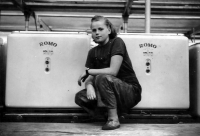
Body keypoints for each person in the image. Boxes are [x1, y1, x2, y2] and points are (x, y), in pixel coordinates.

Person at [75, 15, 142, 130]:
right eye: (94, 30)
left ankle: (113, 120)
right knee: (81, 97)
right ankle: (114, 114)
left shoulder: (117, 42)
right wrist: (89, 85)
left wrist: (88, 72)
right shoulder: (92, 52)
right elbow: (91, 76)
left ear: (109, 30)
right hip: (109, 91)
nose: (97, 33)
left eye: (100, 29)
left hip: (130, 91)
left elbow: (112, 71)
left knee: (103, 77)